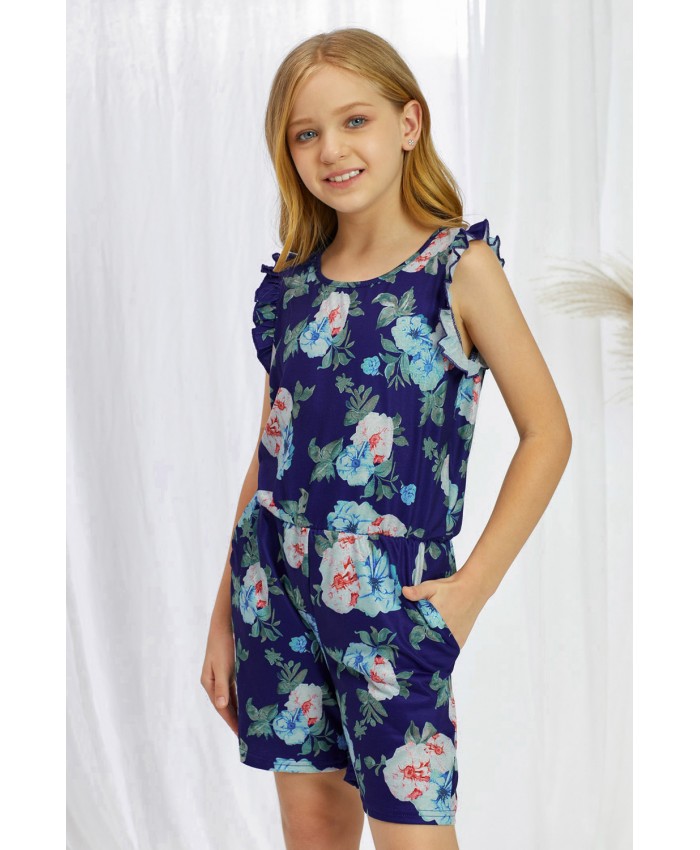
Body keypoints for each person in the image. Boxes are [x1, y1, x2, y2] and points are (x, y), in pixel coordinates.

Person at [201, 26, 572, 850]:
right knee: (312, 829)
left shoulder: (457, 268)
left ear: (409, 123)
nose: (331, 149)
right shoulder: (290, 287)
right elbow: (270, 451)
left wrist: (470, 590)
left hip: (390, 600)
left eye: (355, 121)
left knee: (413, 832)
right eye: (306, 133)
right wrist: (223, 613)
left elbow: (548, 433)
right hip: (273, 590)